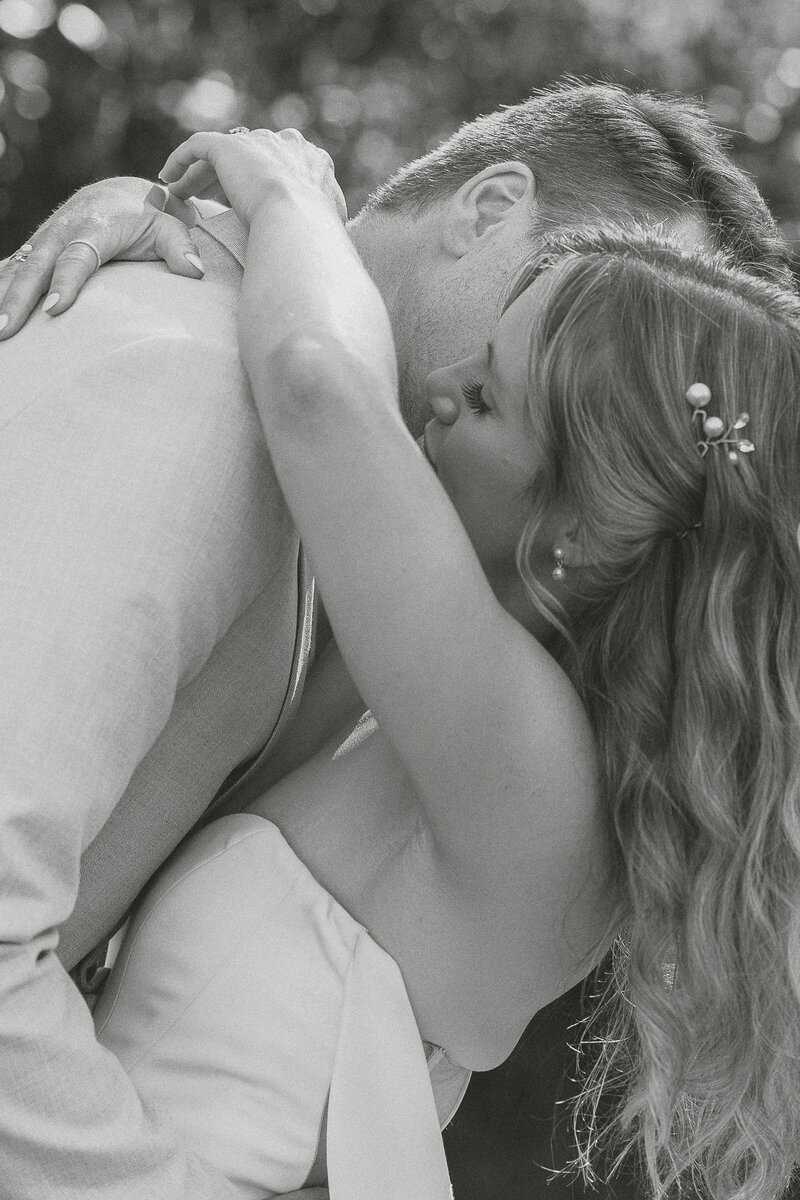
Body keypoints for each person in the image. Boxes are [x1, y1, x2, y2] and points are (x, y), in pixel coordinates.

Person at [0, 81, 794, 1199]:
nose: (437, 390)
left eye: (499, 398)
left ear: (588, 521)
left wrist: (284, 191)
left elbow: (320, 383)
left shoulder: (519, 750)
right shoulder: (458, 691)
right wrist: (186, 221)